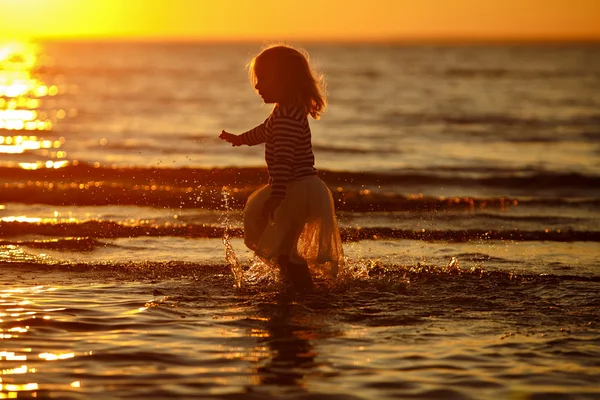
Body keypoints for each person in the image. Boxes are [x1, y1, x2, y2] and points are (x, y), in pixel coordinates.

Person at [219, 44, 344, 291]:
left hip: (293, 188)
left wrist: (277, 194)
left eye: (264, 79)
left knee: (286, 250)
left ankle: (302, 290)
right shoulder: (285, 111)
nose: (257, 86)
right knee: (285, 248)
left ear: (286, 80)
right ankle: (295, 286)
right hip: (299, 187)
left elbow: (284, 159)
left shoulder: (287, 117)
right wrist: (241, 138)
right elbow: (264, 131)